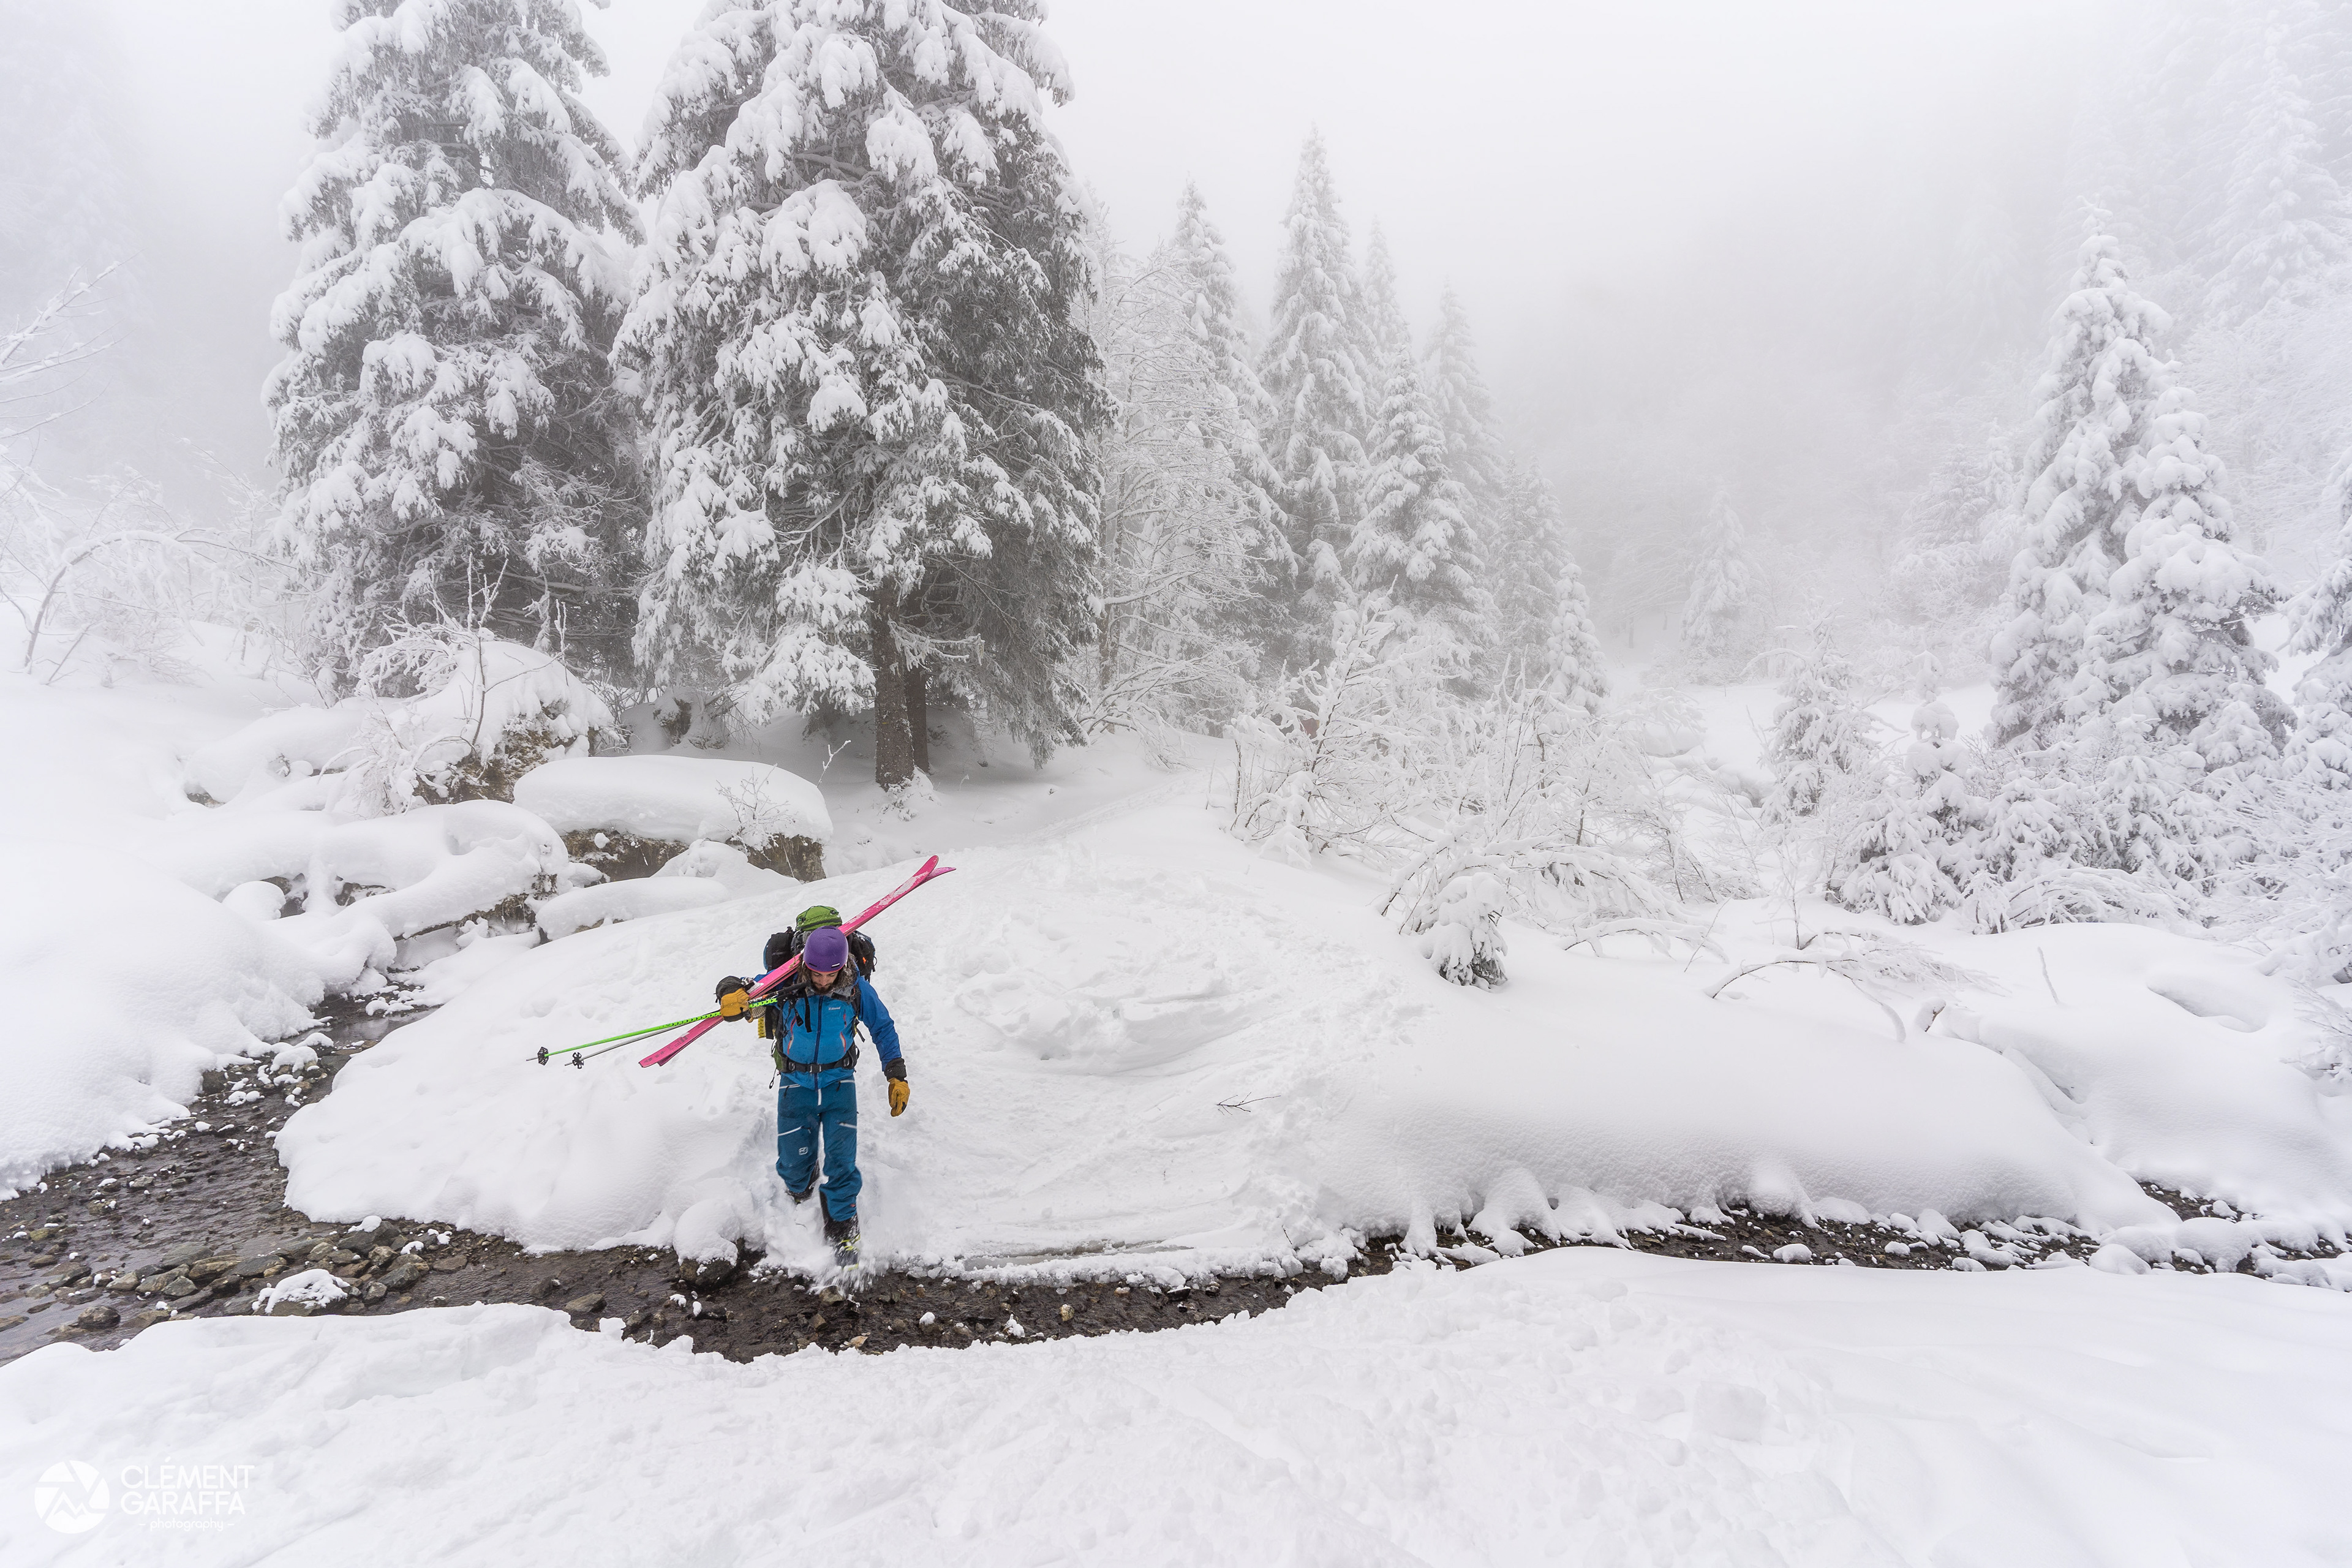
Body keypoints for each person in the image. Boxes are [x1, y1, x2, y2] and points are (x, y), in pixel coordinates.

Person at [714, 923, 909, 1263]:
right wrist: (730, 993)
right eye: (816, 973)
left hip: (839, 1084)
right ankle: (802, 1182)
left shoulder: (856, 988)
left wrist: (896, 1074)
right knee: (793, 1171)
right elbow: (746, 990)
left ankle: (843, 1232)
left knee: (842, 1164)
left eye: (830, 974)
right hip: (796, 1083)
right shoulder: (786, 981)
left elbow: (883, 1027)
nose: (822, 981)